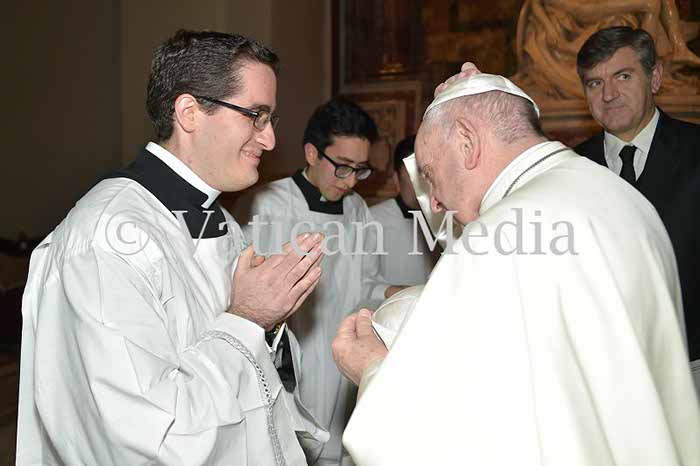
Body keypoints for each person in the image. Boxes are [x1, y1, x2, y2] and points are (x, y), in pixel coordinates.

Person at [331, 64, 700, 465]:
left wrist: (371, 369)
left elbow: (449, 437)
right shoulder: (620, 194)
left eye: (431, 175)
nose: (433, 202)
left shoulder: (496, 238)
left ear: (467, 142)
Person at [16, 30, 330, 466]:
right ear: (189, 112)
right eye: (255, 115)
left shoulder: (219, 220)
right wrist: (248, 318)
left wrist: (270, 319)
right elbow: (146, 437)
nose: (270, 140)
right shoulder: (105, 239)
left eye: (270, 119)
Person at [233, 98, 403, 465]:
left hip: (343, 359)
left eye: (360, 170)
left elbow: (366, 283)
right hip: (293, 361)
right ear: (312, 153)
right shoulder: (267, 205)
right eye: (342, 167)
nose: (350, 181)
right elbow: (245, 293)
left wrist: (402, 294)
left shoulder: (357, 209)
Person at [574, 26, 700, 393]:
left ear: (655, 77)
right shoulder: (570, 170)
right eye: (595, 83)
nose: (609, 94)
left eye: (623, 76)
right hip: (601, 376)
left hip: (691, 365)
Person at [369, 135, 439, 286]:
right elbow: (366, 282)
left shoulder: (441, 219)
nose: (422, 183)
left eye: (426, 173)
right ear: (396, 178)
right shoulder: (373, 219)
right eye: (414, 175)